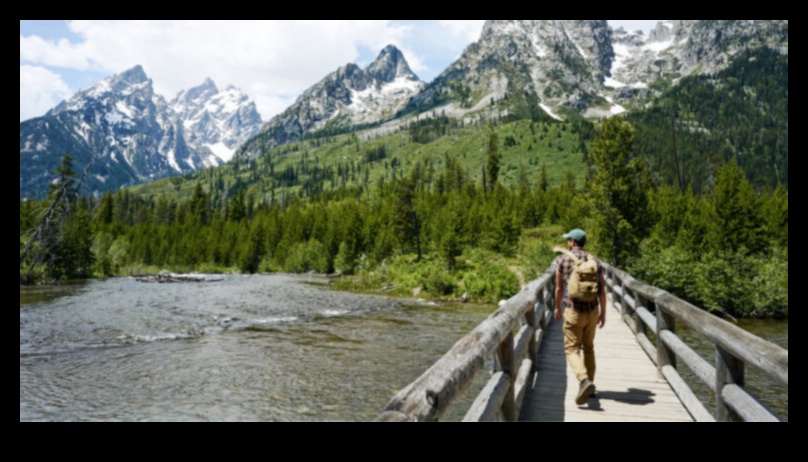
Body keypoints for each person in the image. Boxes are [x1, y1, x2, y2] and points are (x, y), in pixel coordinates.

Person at [553, 228, 607, 406]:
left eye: (568, 239)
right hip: (592, 311)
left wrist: (557, 308)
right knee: (589, 347)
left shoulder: (563, 259)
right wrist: (603, 313)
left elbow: (559, 288)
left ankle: (584, 380)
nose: (568, 242)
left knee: (571, 349)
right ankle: (590, 385)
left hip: (574, 310)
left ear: (572, 242)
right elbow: (602, 290)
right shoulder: (595, 260)